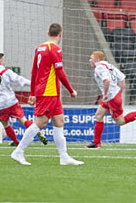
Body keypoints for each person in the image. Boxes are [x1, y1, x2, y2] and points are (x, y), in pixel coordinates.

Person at [11, 23, 83, 166]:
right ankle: (18, 152)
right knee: (41, 123)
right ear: (60, 34)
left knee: (59, 121)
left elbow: (34, 71)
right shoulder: (55, 49)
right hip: (48, 91)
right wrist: (71, 90)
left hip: (50, 92)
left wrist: (32, 92)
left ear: (48, 32)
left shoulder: (40, 48)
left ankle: (64, 157)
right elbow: (60, 72)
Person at [84, 51, 136, 149]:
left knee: (120, 121)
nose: (90, 60)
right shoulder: (108, 65)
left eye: (91, 58)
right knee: (98, 116)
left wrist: (106, 94)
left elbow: (107, 80)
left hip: (111, 98)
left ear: (97, 59)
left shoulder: (99, 68)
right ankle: (96, 142)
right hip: (113, 96)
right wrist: (118, 92)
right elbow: (122, 79)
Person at [0, 53, 47, 146]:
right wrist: (35, 84)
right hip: (11, 102)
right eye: (3, 60)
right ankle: (38, 133)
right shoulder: (6, 71)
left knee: (6, 125)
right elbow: (21, 80)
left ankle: (16, 142)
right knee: (23, 120)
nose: (4, 62)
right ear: (0, 61)